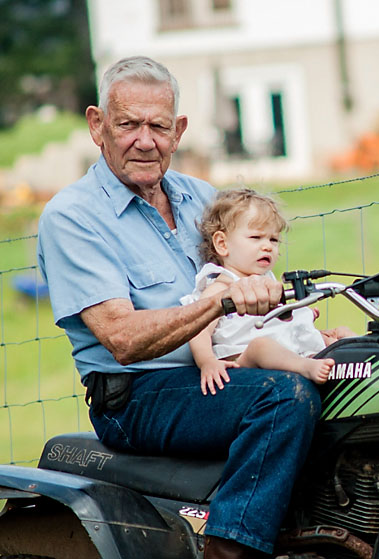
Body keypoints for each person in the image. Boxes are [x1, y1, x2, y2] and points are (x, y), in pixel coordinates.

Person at [36, 56, 315, 558]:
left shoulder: (203, 199)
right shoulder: (73, 216)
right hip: (137, 395)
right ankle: (229, 550)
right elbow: (122, 338)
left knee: (353, 373)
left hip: (225, 368)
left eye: (158, 126)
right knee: (282, 396)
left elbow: (255, 273)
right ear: (97, 125)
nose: (145, 140)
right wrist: (221, 302)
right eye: (128, 124)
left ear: (178, 130)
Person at [182, 188, 354, 394]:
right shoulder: (221, 286)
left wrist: (299, 317)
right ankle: (306, 367)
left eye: (273, 240)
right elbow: (198, 328)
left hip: (286, 350)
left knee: (340, 335)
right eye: (256, 237)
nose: (267, 247)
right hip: (245, 359)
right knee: (261, 346)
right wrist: (207, 361)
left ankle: (373, 353)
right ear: (222, 244)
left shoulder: (267, 281)